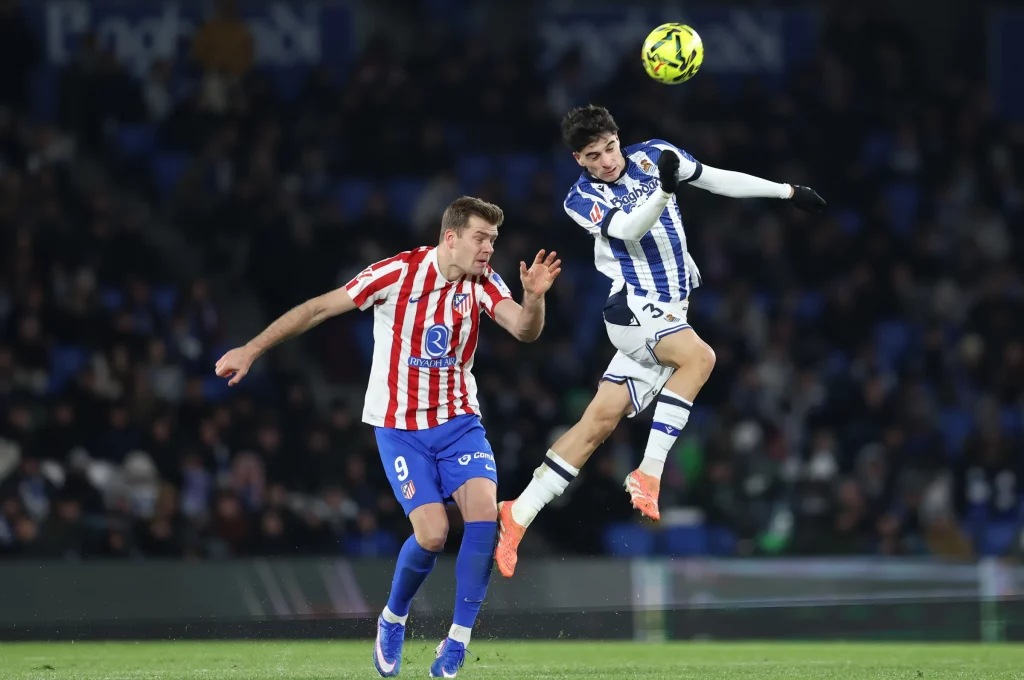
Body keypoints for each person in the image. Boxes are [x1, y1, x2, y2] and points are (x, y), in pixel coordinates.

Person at [215, 197, 561, 677]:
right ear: (451, 238)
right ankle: (393, 619)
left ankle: (457, 641)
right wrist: (252, 349)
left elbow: (523, 330)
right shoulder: (397, 274)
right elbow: (319, 308)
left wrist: (535, 298)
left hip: (460, 422)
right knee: (433, 534)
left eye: (493, 240)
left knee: (484, 516)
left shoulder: (484, 282)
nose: (489, 249)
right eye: (481, 238)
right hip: (402, 430)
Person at [493, 105, 825, 577]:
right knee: (701, 358)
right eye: (594, 156)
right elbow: (629, 229)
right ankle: (649, 471)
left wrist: (786, 191)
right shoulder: (580, 198)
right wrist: (666, 190)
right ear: (578, 159)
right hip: (631, 307)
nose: (607, 161)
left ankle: (518, 512)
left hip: (669, 311)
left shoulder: (654, 155)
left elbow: (715, 179)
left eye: (610, 148)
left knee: (597, 423)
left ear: (618, 137)